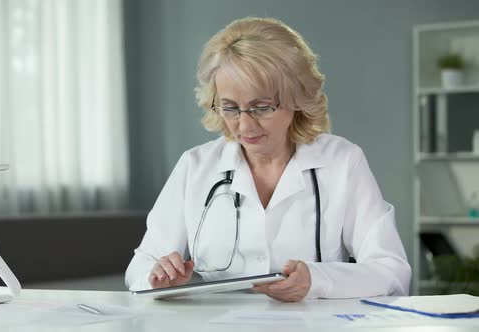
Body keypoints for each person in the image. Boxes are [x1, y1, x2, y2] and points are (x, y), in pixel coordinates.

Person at [125, 17, 411, 302]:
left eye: (261, 107)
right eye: (230, 108)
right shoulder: (195, 166)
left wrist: (317, 281)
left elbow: (391, 271)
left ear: (296, 98)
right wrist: (159, 277)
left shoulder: (342, 162)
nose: (245, 127)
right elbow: (140, 266)